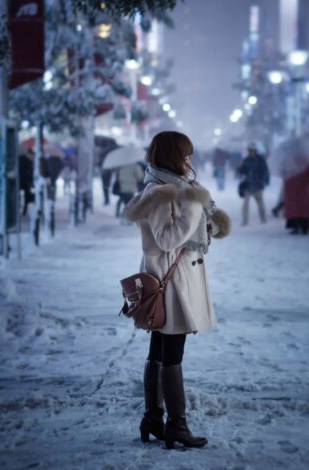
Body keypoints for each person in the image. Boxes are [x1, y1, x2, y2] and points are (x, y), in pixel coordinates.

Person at [122, 131, 231, 450]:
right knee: (171, 354)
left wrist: (207, 224)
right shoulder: (160, 193)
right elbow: (168, 239)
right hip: (171, 286)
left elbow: (187, 233)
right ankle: (176, 425)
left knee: (160, 351)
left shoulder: (178, 189)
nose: (189, 162)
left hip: (178, 279)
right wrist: (194, 209)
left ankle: (154, 418)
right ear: (172, 158)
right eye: (184, 156)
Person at [237, 144, 270, 225]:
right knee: (245, 204)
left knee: (260, 203)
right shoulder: (246, 160)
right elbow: (242, 172)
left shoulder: (260, 160)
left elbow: (265, 171)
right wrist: (240, 168)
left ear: (255, 151)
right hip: (248, 185)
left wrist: (265, 180)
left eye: (252, 150)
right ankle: (245, 220)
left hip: (258, 185)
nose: (250, 152)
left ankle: (263, 218)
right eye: (249, 151)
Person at [283, 156, 309, 234]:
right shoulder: (306, 161)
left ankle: (295, 226)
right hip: (303, 187)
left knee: (293, 208)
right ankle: (304, 227)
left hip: (291, 187)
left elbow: (284, 174)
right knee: (303, 207)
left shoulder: (289, 162)